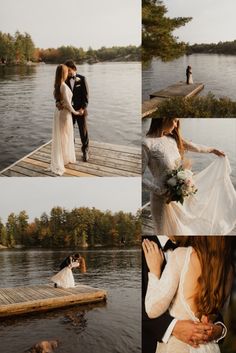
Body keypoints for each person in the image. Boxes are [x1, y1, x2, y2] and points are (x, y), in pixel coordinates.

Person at [142, 117, 236, 235]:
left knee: (178, 232)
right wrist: (159, 190)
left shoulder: (172, 139)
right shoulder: (146, 144)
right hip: (160, 198)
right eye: (175, 120)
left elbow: (195, 147)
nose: (176, 126)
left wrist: (213, 150)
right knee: (162, 233)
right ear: (164, 118)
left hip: (176, 196)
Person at [142, 236, 233, 353]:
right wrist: (173, 326)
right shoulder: (228, 268)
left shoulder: (182, 254)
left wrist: (154, 272)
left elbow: (152, 309)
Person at [50, 64, 80, 176]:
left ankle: (63, 157)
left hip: (58, 113)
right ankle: (63, 159)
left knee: (63, 136)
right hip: (65, 114)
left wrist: (59, 103)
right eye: (67, 71)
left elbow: (60, 100)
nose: (68, 73)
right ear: (64, 73)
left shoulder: (57, 85)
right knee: (65, 136)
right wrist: (76, 112)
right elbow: (67, 103)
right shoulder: (62, 85)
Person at [64, 60, 90, 162]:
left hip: (80, 110)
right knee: (70, 131)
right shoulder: (65, 80)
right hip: (69, 110)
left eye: (69, 70)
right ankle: (71, 151)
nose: (68, 72)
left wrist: (83, 108)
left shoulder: (82, 79)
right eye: (66, 70)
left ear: (74, 69)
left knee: (83, 131)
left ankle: (85, 151)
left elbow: (86, 96)